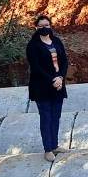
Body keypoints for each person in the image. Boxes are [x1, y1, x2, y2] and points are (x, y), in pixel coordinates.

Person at [26, 15, 69, 162]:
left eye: (47, 25)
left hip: (58, 85)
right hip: (42, 87)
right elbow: (36, 68)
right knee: (46, 117)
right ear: (36, 27)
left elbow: (64, 61)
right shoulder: (33, 46)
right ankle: (47, 149)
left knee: (56, 116)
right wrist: (52, 79)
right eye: (41, 26)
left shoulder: (56, 41)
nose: (45, 28)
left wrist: (61, 78)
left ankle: (55, 145)